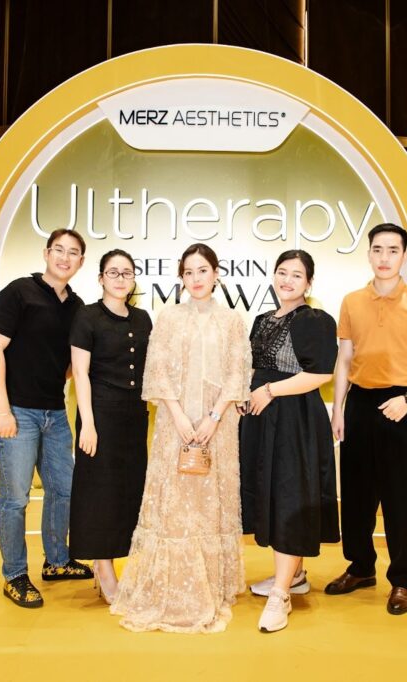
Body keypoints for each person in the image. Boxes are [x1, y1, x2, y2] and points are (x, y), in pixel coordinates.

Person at [110, 243, 251, 633]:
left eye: (202, 270)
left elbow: (237, 375)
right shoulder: (169, 317)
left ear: (216, 274)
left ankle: (212, 583)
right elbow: (157, 371)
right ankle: (171, 585)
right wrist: (178, 418)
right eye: (188, 272)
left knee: (210, 500)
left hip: (218, 426)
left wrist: (213, 418)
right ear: (181, 278)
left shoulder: (232, 320)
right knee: (176, 501)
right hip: (176, 426)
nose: (196, 278)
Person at [327, 223, 407, 616]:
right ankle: (361, 568)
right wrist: (338, 408)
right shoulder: (351, 302)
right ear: (369, 254)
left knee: (403, 498)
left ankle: (403, 581)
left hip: (402, 404)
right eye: (378, 249)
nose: (384, 257)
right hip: (360, 404)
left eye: (393, 250)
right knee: (356, 495)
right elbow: (345, 359)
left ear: (404, 256)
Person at [0, 228, 94, 608]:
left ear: (81, 261)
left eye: (73, 252)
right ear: (46, 253)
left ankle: (57, 561)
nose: (65, 257)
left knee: (64, 490)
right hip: (16, 410)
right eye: (58, 249)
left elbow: (74, 364)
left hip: (55, 413)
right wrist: (3, 409)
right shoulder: (19, 292)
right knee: (15, 498)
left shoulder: (77, 307)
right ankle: (14, 574)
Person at [239, 249, 339, 633]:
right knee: (270, 495)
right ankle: (293, 576)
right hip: (262, 419)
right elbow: (253, 367)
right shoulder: (262, 320)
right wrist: (244, 395)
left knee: (291, 496)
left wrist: (270, 390)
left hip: (295, 420)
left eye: (297, 275)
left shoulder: (316, 320)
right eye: (282, 272)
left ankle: (281, 595)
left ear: (309, 283)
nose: (287, 280)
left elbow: (322, 373)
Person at [68, 249, 152, 604]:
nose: (120, 278)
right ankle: (103, 569)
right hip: (99, 414)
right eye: (113, 272)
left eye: (127, 272)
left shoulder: (143, 318)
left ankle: (121, 563)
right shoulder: (87, 316)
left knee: (127, 492)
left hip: (134, 417)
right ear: (101, 278)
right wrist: (87, 423)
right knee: (99, 493)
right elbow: (80, 373)